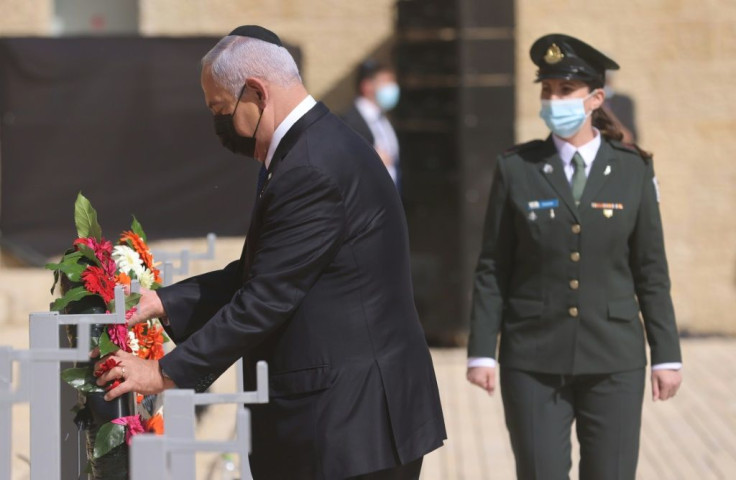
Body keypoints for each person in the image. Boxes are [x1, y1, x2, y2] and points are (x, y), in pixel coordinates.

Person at [95, 25, 446, 479]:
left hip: (350, 428)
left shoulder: (311, 167)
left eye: (221, 109)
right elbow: (263, 270)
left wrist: (162, 373)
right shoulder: (311, 146)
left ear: (256, 93)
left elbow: (266, 297)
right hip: (349, 420)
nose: (218, 125)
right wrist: (164, 302)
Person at [465, 33, 682, 480]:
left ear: (595, 98)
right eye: (547, 90)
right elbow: (493, 267)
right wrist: (482, 351)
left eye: (566, 90)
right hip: (532, 358)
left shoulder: (633, 169)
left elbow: (651, 270)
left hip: (614, 360)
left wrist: (667, 355)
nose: (554, 100)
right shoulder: (517, 168)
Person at [341, 60, 401, 189]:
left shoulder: (384, 118)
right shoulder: (349, 122)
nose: (393, 86)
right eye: (386, 81)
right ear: (367, 86)